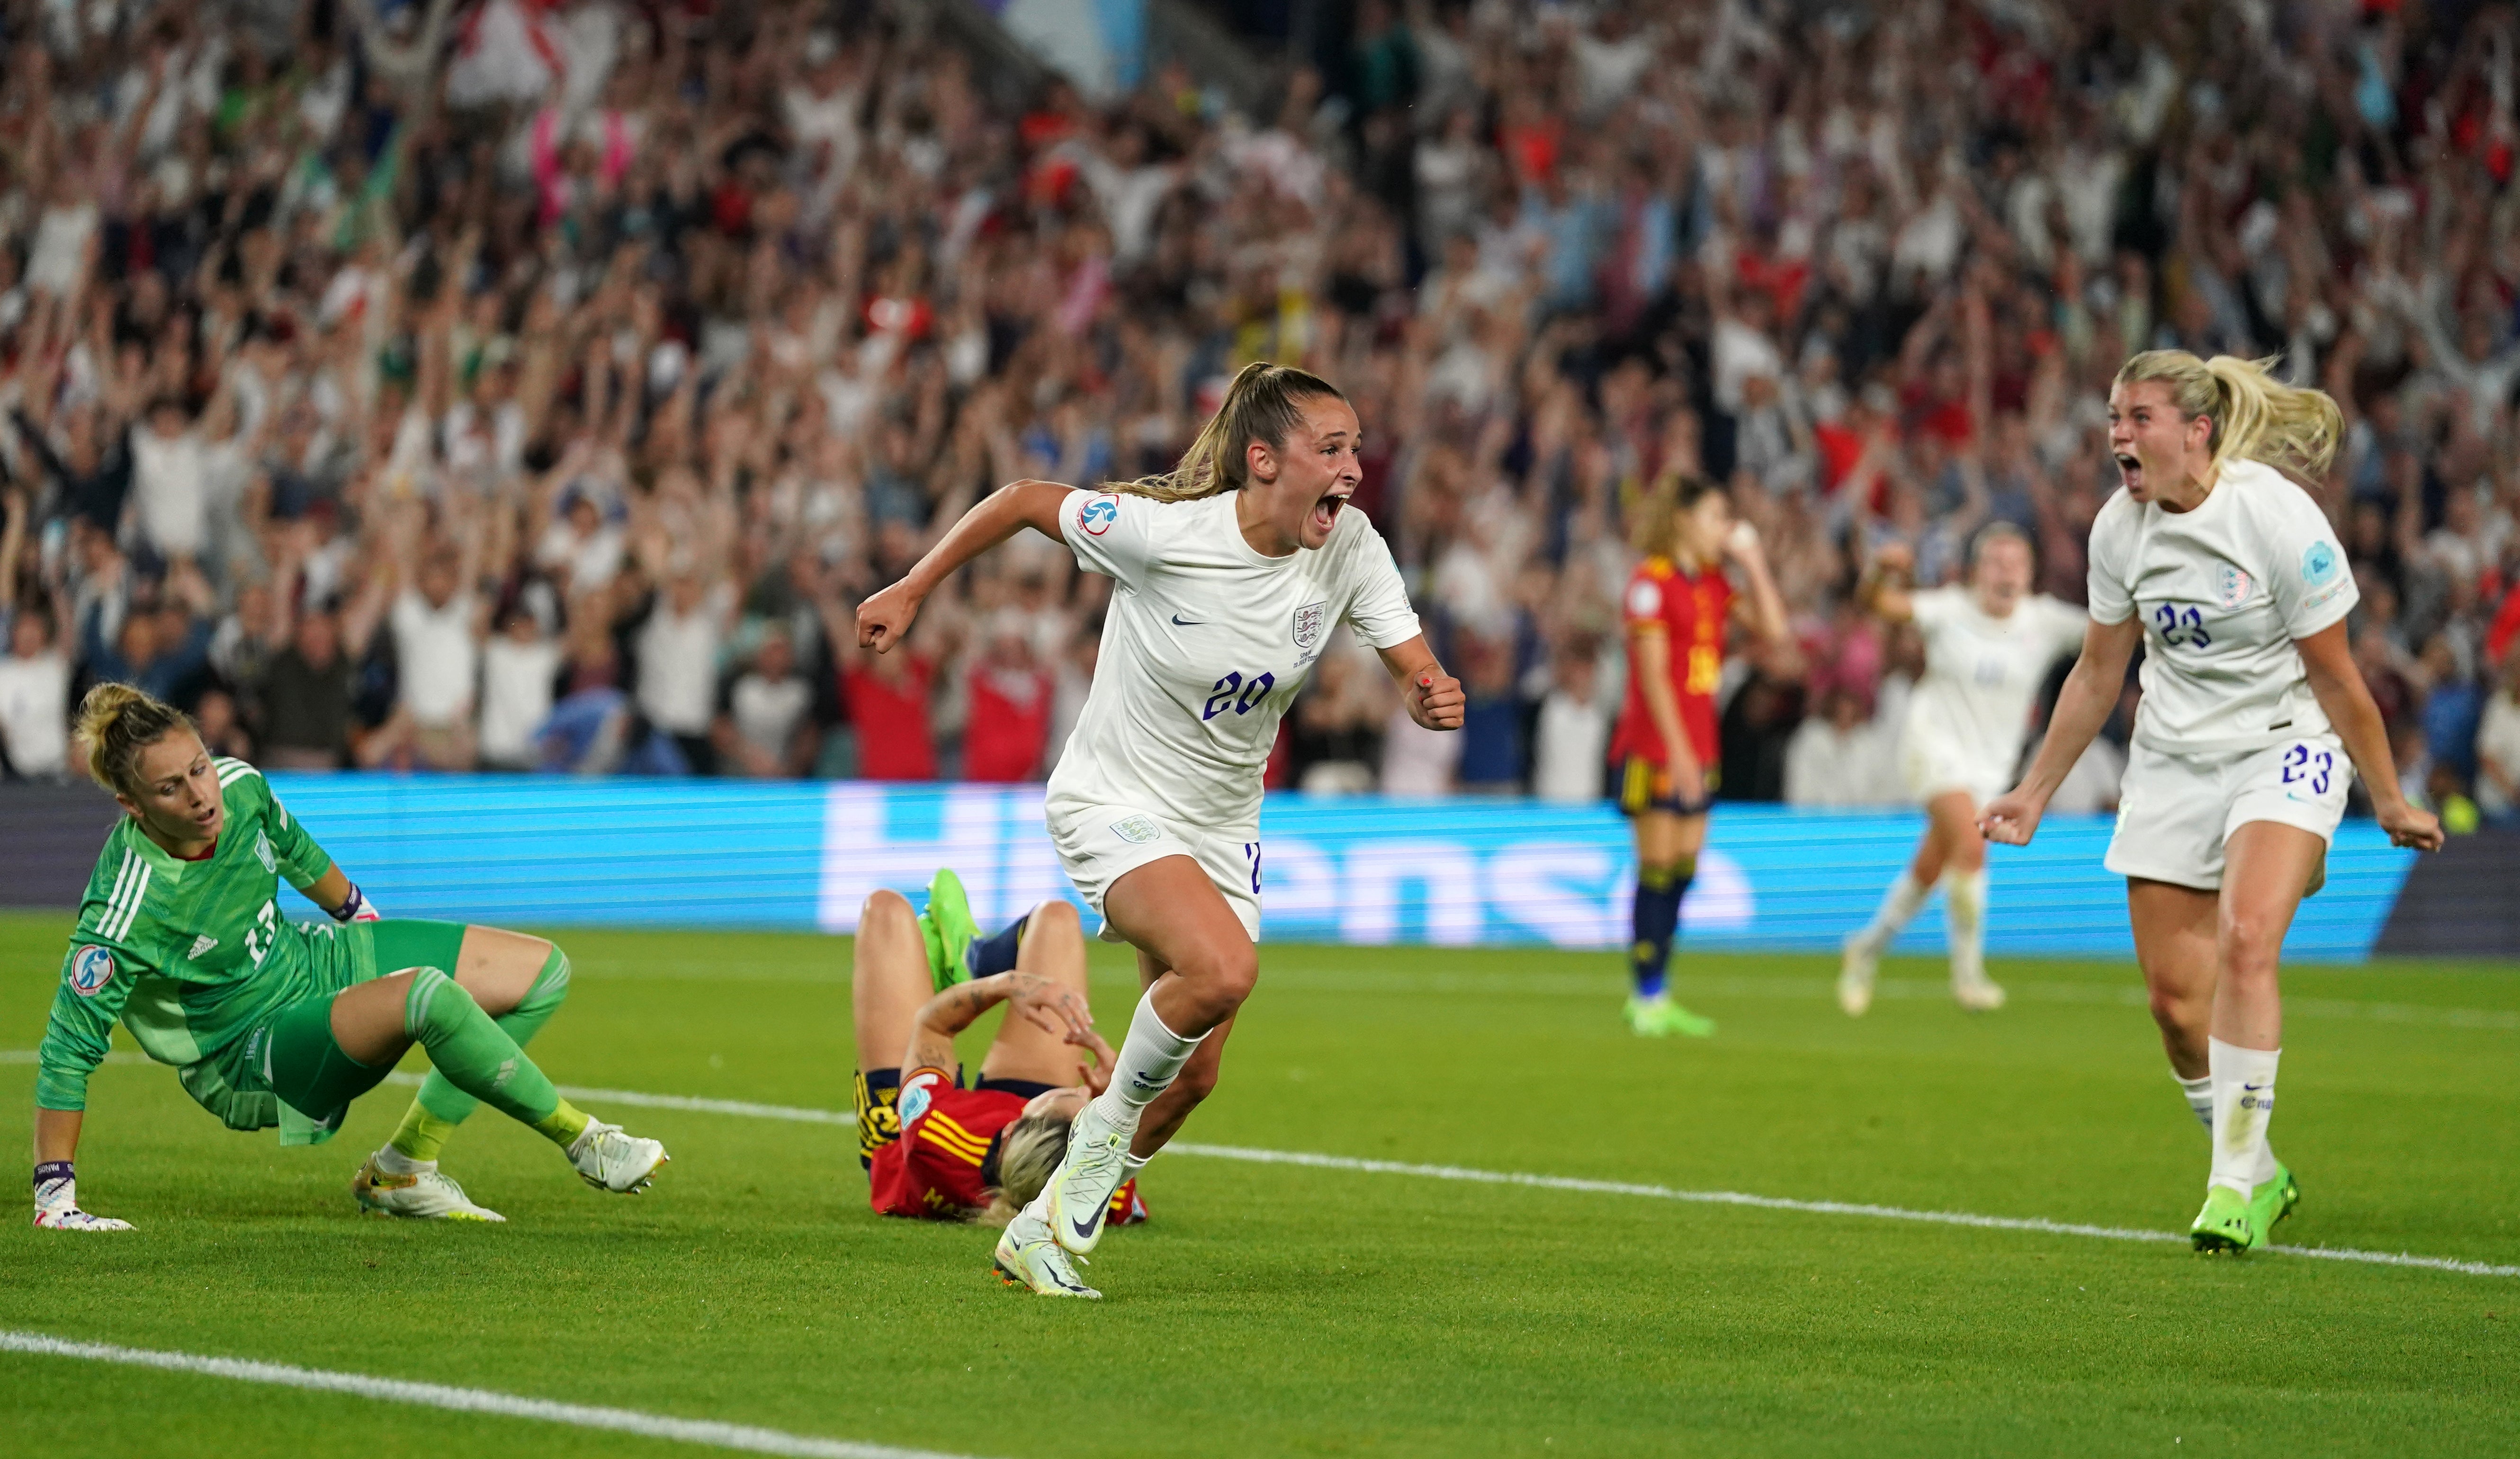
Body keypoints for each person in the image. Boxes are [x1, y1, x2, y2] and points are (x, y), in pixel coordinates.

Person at [856, 362, 1462, 1298]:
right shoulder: (1161, 535)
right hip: (1113, 802)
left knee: (1192, 1077)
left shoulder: (1348, 548)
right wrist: (912, 585)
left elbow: (1411, 662)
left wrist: (1428, 692)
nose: (1352, 467)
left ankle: (1045, 1220)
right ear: (1262, 460)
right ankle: (1065, 1206)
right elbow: (1022, 499)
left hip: (1221, 827)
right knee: (1222, 969)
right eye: (1329, 447)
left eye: (1354, 447)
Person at [1982, 352, 2442, 1255]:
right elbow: (2098, 672)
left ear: (2197, 431)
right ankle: (2263, 1166)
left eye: (2138, 417)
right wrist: (2034, 791)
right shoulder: (2118, 531)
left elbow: (2338, 676)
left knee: (2244, 937)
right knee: (2172, 1005)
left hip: (2284, 745)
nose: (2118, 434)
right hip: (2172, 761)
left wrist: (2387, 795)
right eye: (2114, 417)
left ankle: (2231, 1188)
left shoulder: (2274, 516)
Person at [29, 683, 669, 1232]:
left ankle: (403, 1170)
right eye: (171, 788)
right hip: (250, 1049)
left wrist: (361, 927)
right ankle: (588, 1142)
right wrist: (55, 1198)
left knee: (540, 973)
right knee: (426, 993)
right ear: (133, 807)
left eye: (198, 766)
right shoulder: (126, 904)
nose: (201, 795)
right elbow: (68, 1046)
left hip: (312, 962)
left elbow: (294, 850)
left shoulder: (239, 787)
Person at [1836, 526, 2086, 1015]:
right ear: (1975, 570)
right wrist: (1880, 570)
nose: (2005, 571)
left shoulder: (2047, 622)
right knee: (1971, 846)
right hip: (1930, 746)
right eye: (1995, 561)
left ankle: (1866, 948)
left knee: (1932, 866)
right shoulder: (1948, 609)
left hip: (1991, 767)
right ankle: (1968, 977)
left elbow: (2117, 629)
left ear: (2031, 574)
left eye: (2016, 562)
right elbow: (1878, 605)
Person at [850, 869, 1145, 1228]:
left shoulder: (935, 1134)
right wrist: (1116, 1105)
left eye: (1071, 1096)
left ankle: (976, 970)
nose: (1085, 1089)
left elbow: (933, 1026)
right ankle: (975, 956)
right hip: (1023, 1136)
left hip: (905, 1136)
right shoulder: (1097, 1188)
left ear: (1008, 1130)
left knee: (885, 911)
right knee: (1057, 918)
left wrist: (1004, 984)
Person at [1604, 474, 1790, 1038]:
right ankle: (1645, 995)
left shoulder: (1713, 583)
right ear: (1684, 520)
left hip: (1699, 745)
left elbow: (1776, 633)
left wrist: (1753, 562)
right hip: (1653, 748)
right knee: (1657, 868)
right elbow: (1653, 677)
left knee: (1684, 870)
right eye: (1716, 516)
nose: (1724, 527)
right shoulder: (1649, 583)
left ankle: (1657, 989)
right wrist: (1678, 755)